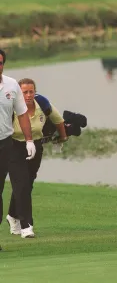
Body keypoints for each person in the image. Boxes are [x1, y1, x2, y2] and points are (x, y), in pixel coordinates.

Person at [5, 78, 67, 239]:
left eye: (31, 91)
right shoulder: (11, 105)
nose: (28, 95)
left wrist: (62, 138)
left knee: (27, 183)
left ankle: (12, 215)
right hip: (13, 147)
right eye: (24, 92)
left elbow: (58, 121)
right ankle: (26, 226)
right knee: (22, 185)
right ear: (18, 92)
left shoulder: (42, 104)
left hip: (35, 146)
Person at [0, 49, 36, 250]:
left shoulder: (12, 85)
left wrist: (29, 140)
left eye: (0, 62)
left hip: (5, 143)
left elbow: (22, 114)